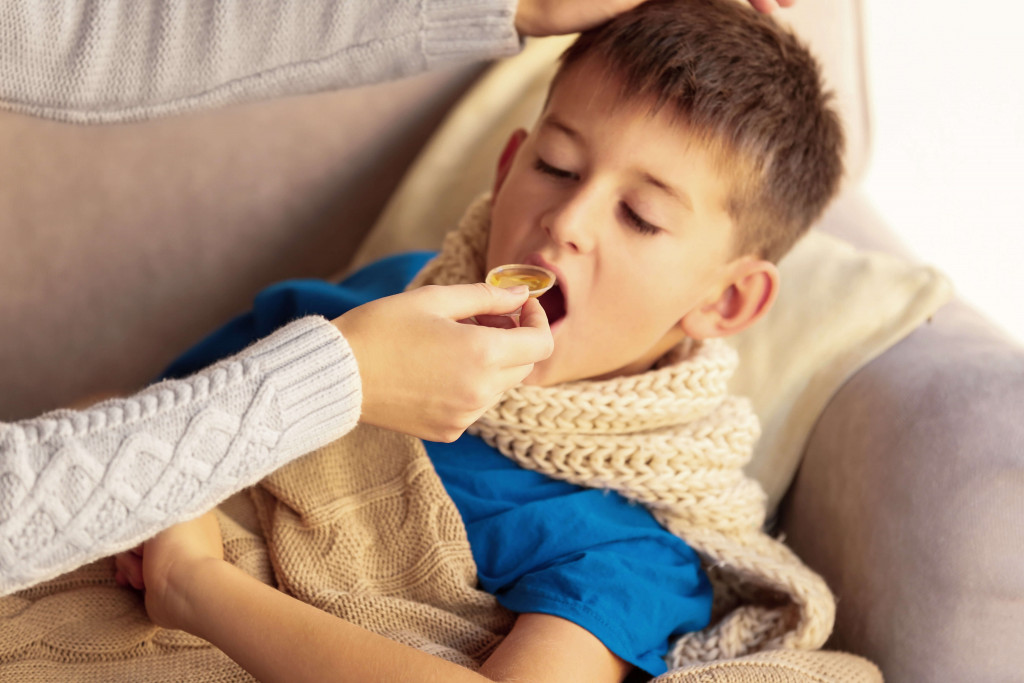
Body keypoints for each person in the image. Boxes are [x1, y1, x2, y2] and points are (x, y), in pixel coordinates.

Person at [89, 1, 846, 681]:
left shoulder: (630, 545)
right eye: (556, 167)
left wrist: (196, 583)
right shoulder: (393, 295)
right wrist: (172, 495)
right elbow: (161, 410)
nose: (568, 222)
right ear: (509, 164)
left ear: (727, 298)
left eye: (640, 216)